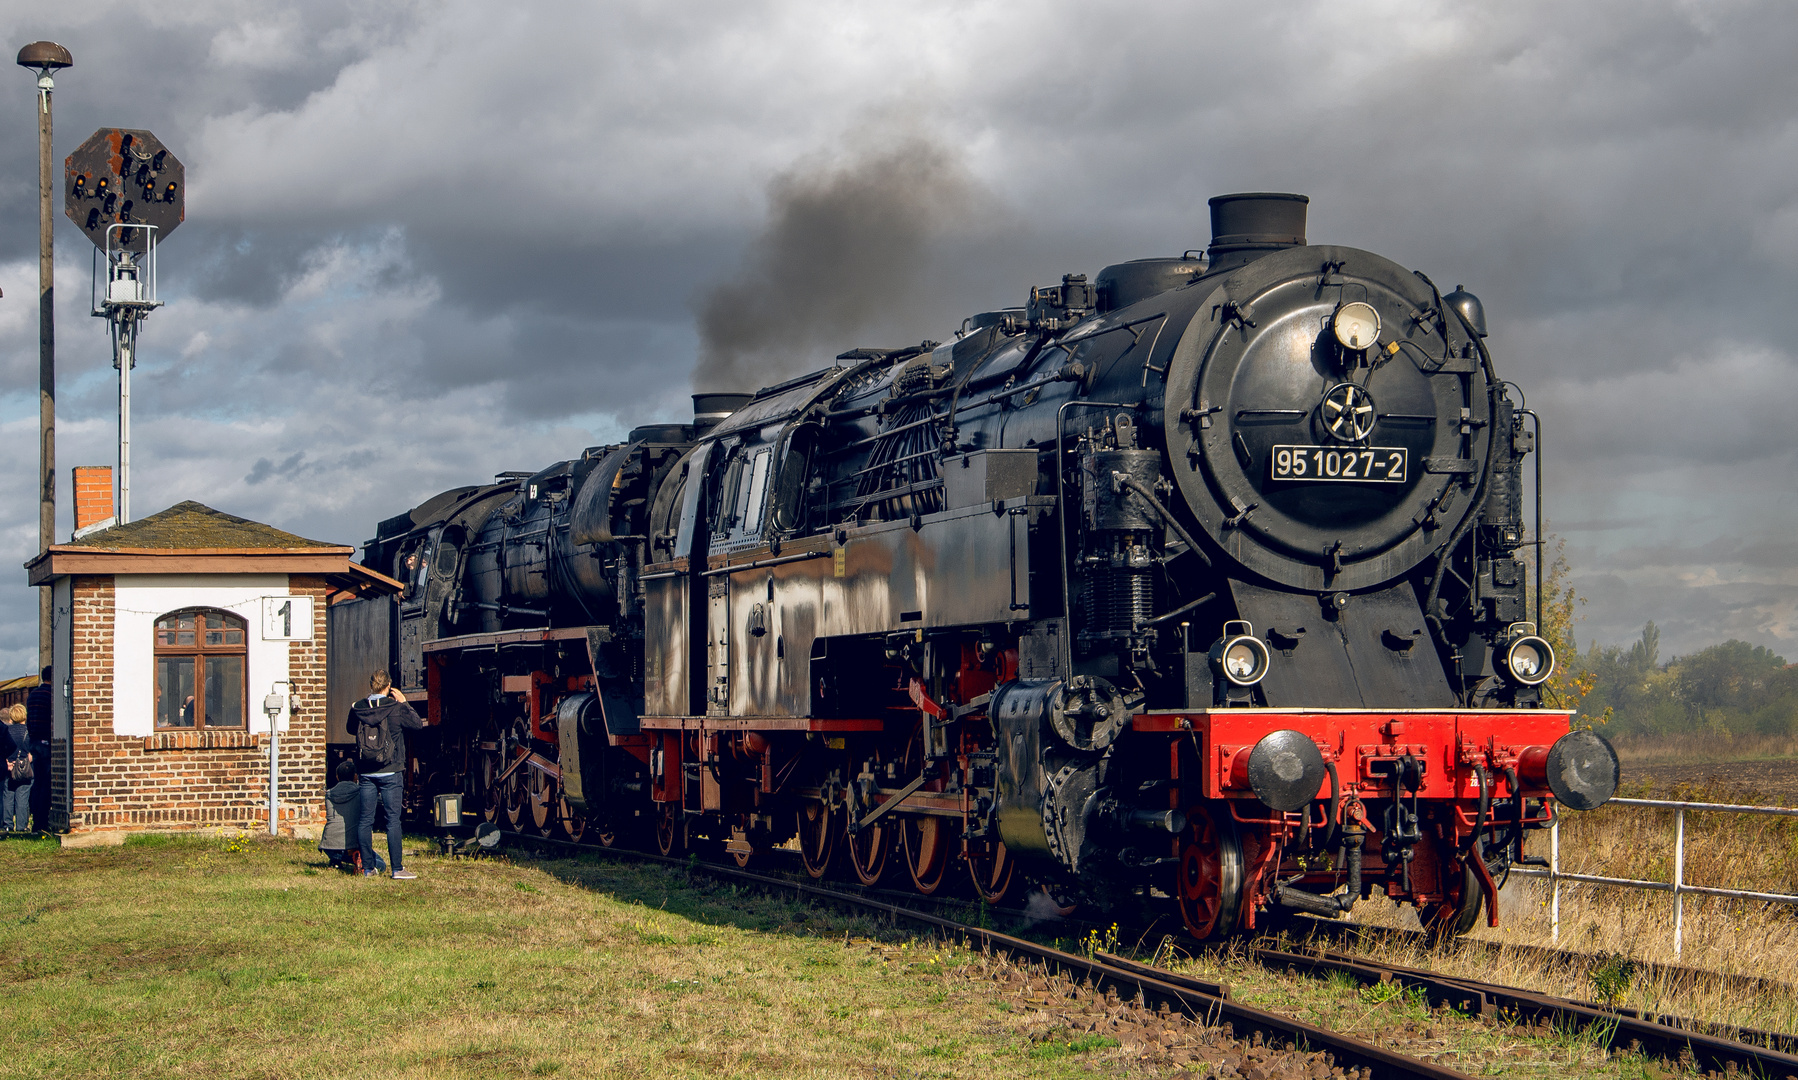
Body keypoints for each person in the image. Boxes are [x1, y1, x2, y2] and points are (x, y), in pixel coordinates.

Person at [346, 670, 425, 879]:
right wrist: (405, 702)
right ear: (388, 686)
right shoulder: (396, 709)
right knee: (393, 821)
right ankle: (397, 869)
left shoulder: (358, 708)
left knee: (365, 821)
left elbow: (350, 729)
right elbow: (417, 724)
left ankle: (368, 869)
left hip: (366, 771)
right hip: (391, 770)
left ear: (371, 685)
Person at [320, 759, 384, 873]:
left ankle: (335, 861)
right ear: (355, 777)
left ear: (337, 777)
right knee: (381, 864)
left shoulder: (329, 794)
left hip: (329, 845)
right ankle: (358, 858)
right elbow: (379, 802)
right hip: (351, 845)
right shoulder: (361, 792)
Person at [25, 666, 50, 830]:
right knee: (47, 783)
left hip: (34, 741)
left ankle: (36, 821)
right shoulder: (50, 695)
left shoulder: (32, 695)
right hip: (46, 741)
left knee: (38, 781)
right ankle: (42, 821)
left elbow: (28, 721)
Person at [3, 704, 31, 831]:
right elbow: (32, 751)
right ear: (24, 715)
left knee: (8, 796)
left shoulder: (6, 731)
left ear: (11, 716)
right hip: (24, 768)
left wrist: (6, 762)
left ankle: (7, 825)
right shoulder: (28, 731)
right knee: (22, 797)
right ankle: (21, 826)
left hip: (10, 767)